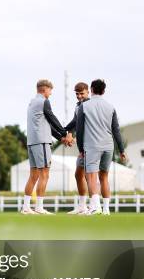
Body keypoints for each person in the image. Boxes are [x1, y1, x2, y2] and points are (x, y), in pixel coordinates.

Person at [76, 79, 127, 215]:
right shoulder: (110, 107)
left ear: (91, 89)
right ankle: (106, 209)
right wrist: (121, 150)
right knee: (104, 177)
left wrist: (80, 149)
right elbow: (116, 130)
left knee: (91, 176)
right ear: (103, 91)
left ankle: (95, 207)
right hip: (108, 147)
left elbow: (79, 130)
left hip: (92, 146)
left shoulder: (84, 107)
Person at [21, 79, 70, 215]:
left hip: (32, 142)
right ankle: (39, 207)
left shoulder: (32, 102)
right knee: (45, 174)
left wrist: (61, 138)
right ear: (45, 89)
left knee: (34, 175)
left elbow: (46, 124)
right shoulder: (44, 101)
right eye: (50, 90)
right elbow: (52, 118)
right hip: (41, 142)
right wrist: (65, 133)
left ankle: (26, 207)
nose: (51, 93)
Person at [64, 82, 90, 214]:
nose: (79, 96)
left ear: (88, 92)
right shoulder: (78, 106)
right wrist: (68, 133)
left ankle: (93, 207)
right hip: (82, 146)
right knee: (79, 174)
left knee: (89, 176)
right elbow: (75, 123)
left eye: (82, 93)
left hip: (89, 146)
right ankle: (82, 206)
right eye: (77, 94)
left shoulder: (89, 106)